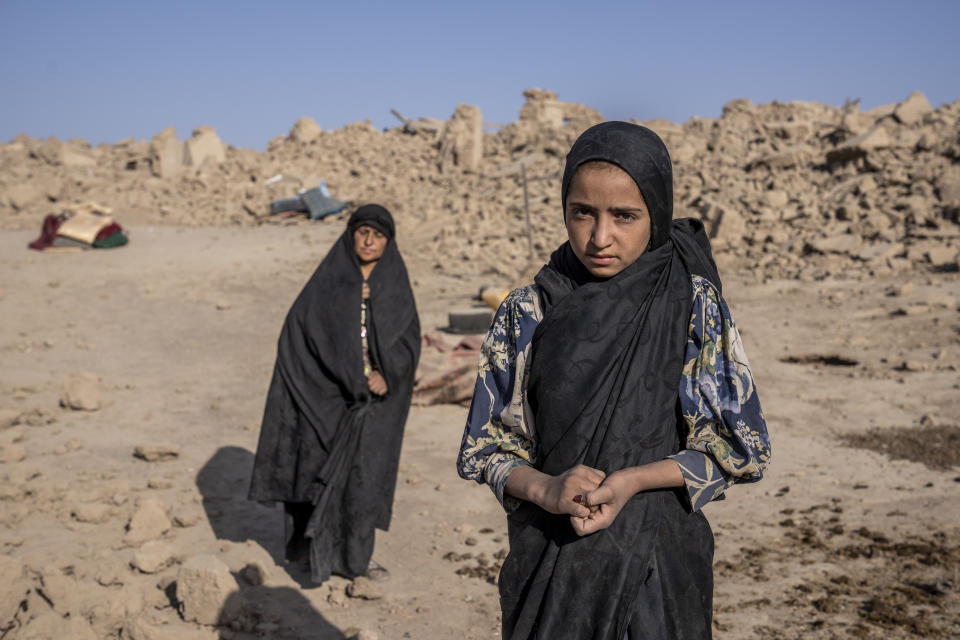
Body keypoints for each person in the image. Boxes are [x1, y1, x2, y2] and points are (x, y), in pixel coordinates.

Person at [457, 122, 771, 639]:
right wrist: (547, 488)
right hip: (552, 559)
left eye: (625, 216)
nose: (600, 237)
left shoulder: (692, 305)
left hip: (659, 563)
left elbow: (740, 445)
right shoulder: (527, 311)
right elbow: (485, 449)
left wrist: (632, 481)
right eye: (583, 213)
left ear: (658, 213)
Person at [250, 204, 420, 584]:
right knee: (316, 476)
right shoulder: (330, 278)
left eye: (378, 234)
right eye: (362, 231)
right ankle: (314, 556)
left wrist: (387, 375)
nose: (369, 239)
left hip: (373, 404)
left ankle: (357, 562)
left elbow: (408, 342)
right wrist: (331, 376)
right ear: (351, 235)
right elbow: (298, 332)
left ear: (388, 241)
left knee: (363, 482)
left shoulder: (394, 282)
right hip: (328, 399)